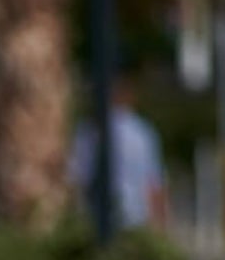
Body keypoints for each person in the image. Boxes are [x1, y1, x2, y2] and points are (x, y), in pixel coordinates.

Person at [68, 67, 169, 232]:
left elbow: (76, 177)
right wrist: (161, 224)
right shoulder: (142, 131)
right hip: (135, 217)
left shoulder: (89, 129)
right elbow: (155, 184)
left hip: (96, 216)